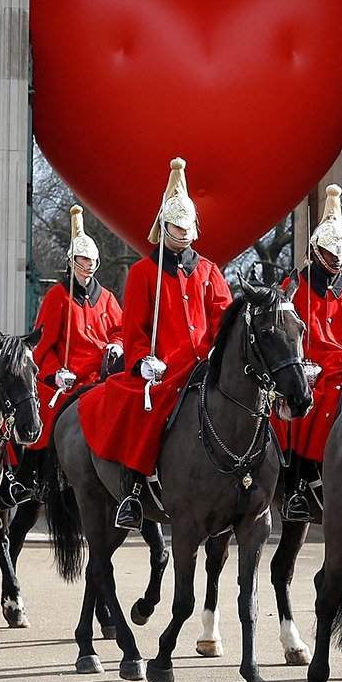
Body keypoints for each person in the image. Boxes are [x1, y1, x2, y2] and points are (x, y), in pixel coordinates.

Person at [75, 158, 232, 529]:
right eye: (177, 227)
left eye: (187, 226)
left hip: (206, 363)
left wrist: (217, 349)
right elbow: (134, 327)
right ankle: (131, 490)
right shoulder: (144, 273)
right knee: (139, 407)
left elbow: (223, 316)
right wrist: (144, 359)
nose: (184, 232)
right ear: (165, 227)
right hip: (163, 366)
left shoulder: (209, 270)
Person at [274, 184, 342, 524]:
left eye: (339, 256)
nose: (335, 262)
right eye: (329, 255)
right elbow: (283, 330)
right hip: (307, 369)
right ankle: (297, 485)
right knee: (307, 407)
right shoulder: (293, 286)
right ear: (316, 251)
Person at [29, 204, 124, 455]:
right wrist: (54, 373)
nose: (89, 264)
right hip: (68, 381)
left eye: (92, 260)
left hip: (102, 377)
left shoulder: (107, 298)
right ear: (72, 261)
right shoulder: (57, 297)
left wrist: (117, 344)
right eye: (83, 259)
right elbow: (42, 344)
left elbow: (121, 330)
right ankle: (40, 473)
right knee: (46, 416)